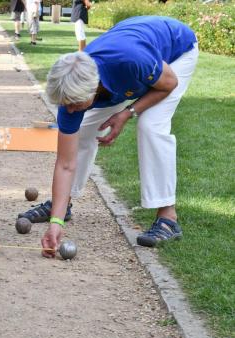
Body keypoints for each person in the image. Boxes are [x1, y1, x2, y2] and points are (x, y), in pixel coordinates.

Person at [18, 16, 198, 256]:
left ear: (95, 88)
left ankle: (168, 217)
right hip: (132, 60)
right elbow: (65, 163)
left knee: (151, 125)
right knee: (81, 131)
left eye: (74, 104)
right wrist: (56, 223)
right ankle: (62, 205)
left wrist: (128, 112)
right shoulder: (70, 94)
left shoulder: (130, 61)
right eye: (66, 105)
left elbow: (169, 83)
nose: (70, 110)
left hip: (176, 51)